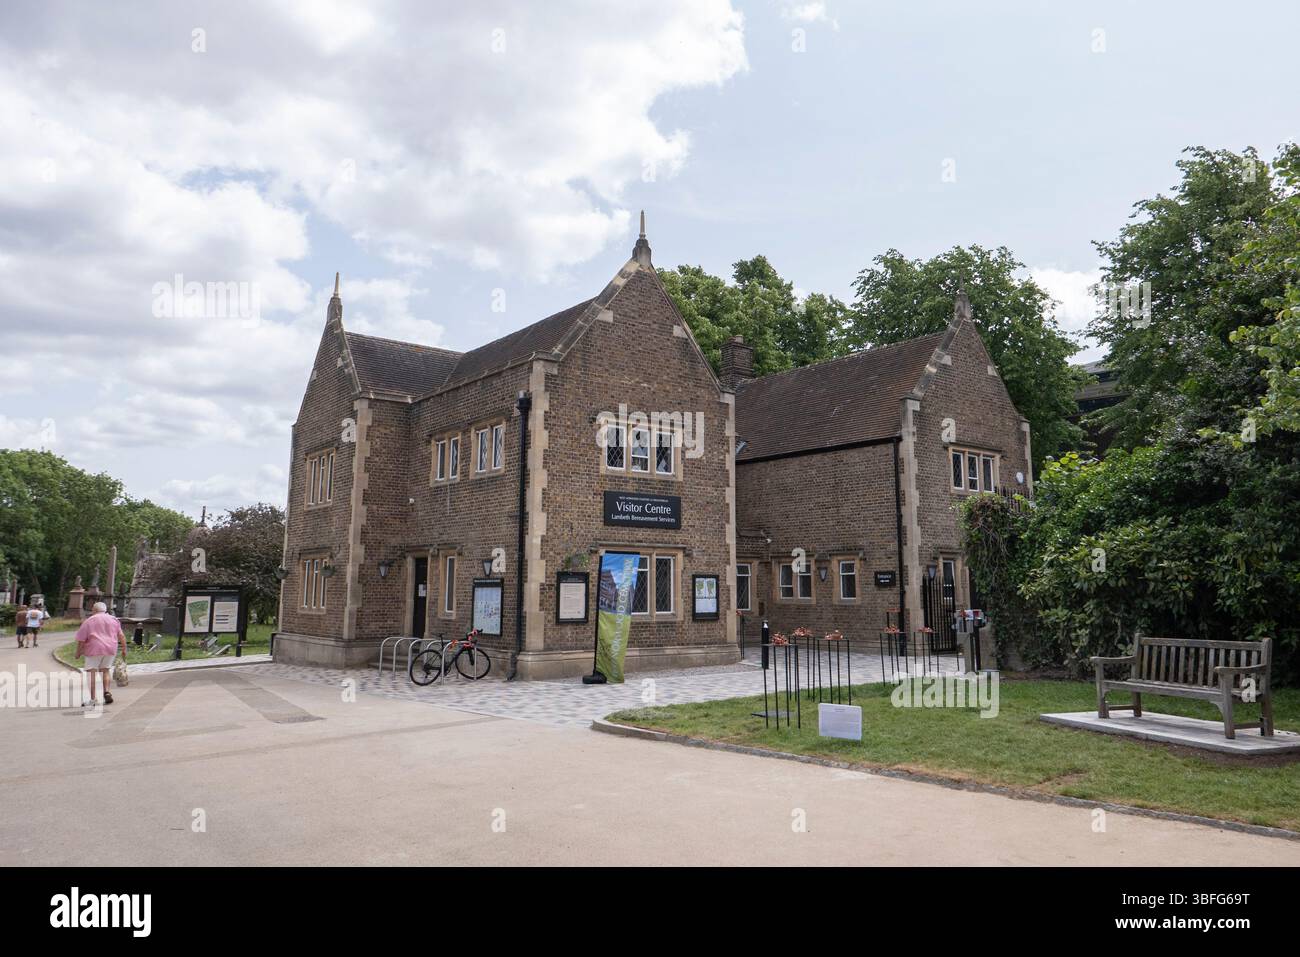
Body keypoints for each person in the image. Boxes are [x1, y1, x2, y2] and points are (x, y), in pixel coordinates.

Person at [74, 601, 126, 706]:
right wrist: (124, 648)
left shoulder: (89, 621)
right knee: (105, 671)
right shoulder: (114, 620)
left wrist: (78, 652)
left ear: (95, 610)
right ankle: (106, 692)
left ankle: (93, 699)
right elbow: (121, 636)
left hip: (94, 649)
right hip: (110, 648)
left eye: (93, 609)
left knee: (91, 674)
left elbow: (81, 640)